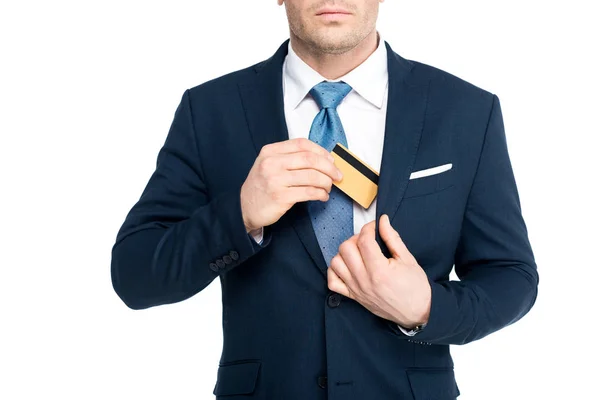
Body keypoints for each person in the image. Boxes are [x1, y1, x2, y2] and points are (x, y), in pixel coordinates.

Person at [111, 0, 539, 398]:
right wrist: (239, 215)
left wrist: (426, 307)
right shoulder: (209, 110)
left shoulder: (466, 110)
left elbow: (511, 276)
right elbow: (134, 274)